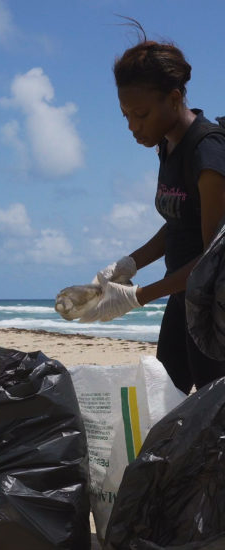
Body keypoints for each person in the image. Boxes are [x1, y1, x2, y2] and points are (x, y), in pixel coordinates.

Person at [80, 21, 225, 394]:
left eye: (140, 115)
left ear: (174, 99)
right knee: (163, 400)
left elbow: (213, 260)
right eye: (126, 115)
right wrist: (128, 265)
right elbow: (177, 222)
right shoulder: (167, 146)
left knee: (211, 416)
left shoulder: (207, 153)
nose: (132, 126)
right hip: (183, 299)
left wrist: (136, 297)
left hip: (214, 310)